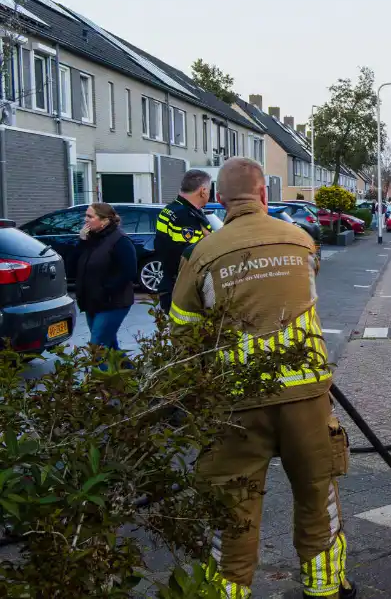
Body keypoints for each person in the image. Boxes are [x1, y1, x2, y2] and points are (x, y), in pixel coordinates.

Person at [168, 157, 357, 599]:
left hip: (236, 401)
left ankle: (227, 593)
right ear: (264, 195)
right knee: (316, 494)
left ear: (218, 199)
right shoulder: (302, 241)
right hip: (306, 397)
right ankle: (327, 587)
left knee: (234, 507)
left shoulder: (203, 253)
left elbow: (181, 329)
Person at [73, 203, 136, 353]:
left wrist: (105, 290)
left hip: (112, 303)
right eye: (86, 216)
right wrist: (82, 241)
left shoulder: (120, 241)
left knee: (97, 347)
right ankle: (131, 372)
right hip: (91, 302)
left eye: (90, 216)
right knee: (109, 346)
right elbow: (73, 265)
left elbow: (128, 271)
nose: (85, 220)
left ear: (104, 220)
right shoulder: (90, 240)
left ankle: (99, 377)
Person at [154, 169, 214, 311]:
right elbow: (188, 257)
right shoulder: (185, 217)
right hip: (182, 290)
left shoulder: (170, 209)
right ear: (203, 191)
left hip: (170, 283)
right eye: (209, 190)